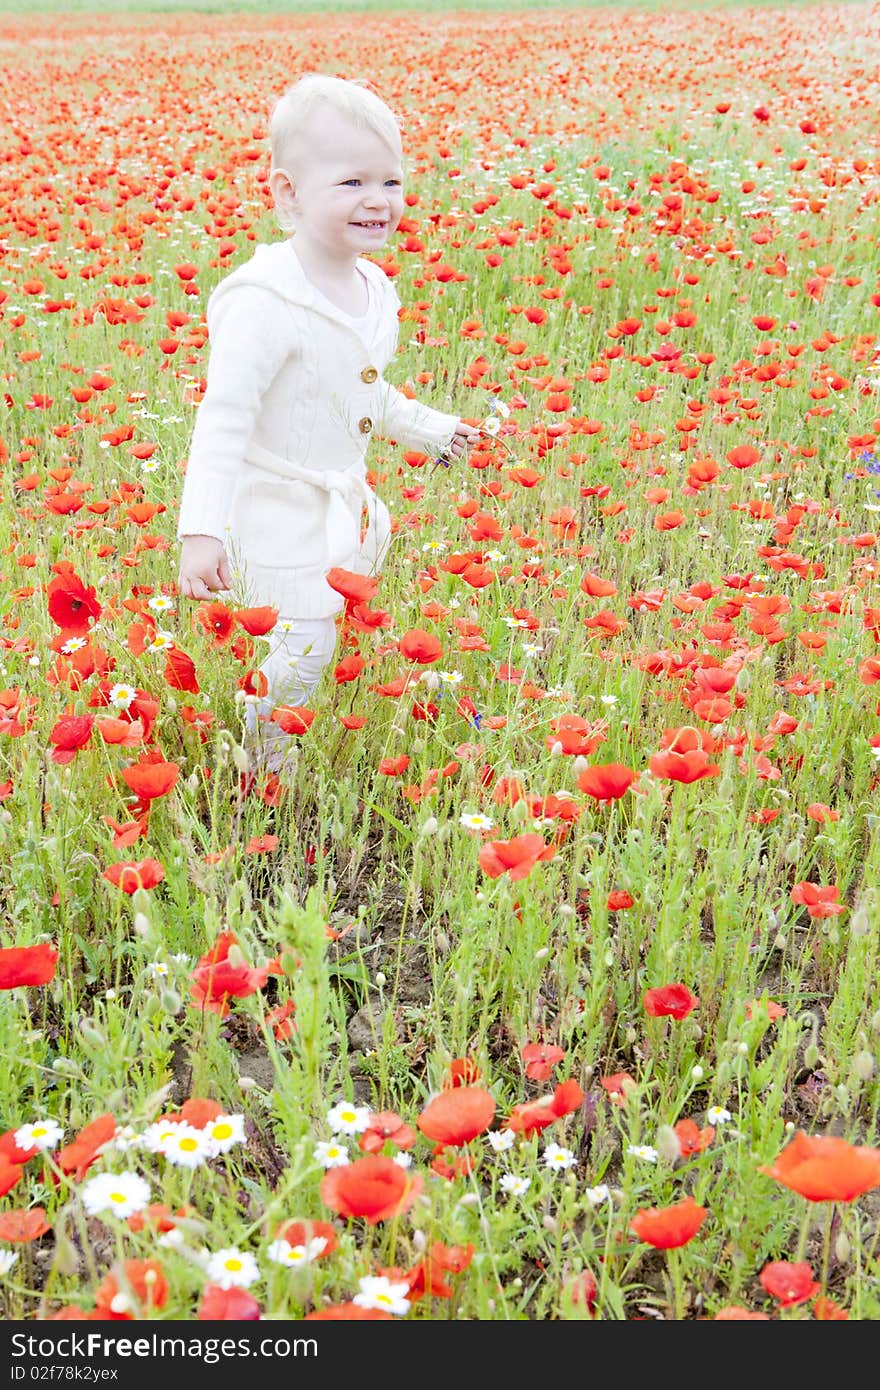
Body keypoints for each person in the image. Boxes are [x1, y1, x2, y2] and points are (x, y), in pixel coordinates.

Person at [176, 74, 480, 769]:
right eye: (351, 183)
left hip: (339, 506)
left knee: (318, 636)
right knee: (303, 646)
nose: (378, 200)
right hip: (277, 508)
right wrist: (200, 531)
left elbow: (362, 395)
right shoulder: (263, 301)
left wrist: (433, 429)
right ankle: (262, 764)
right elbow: (221, 424)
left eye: (391, 182)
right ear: (287, 193)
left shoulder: (373, 287)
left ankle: (283, 723)